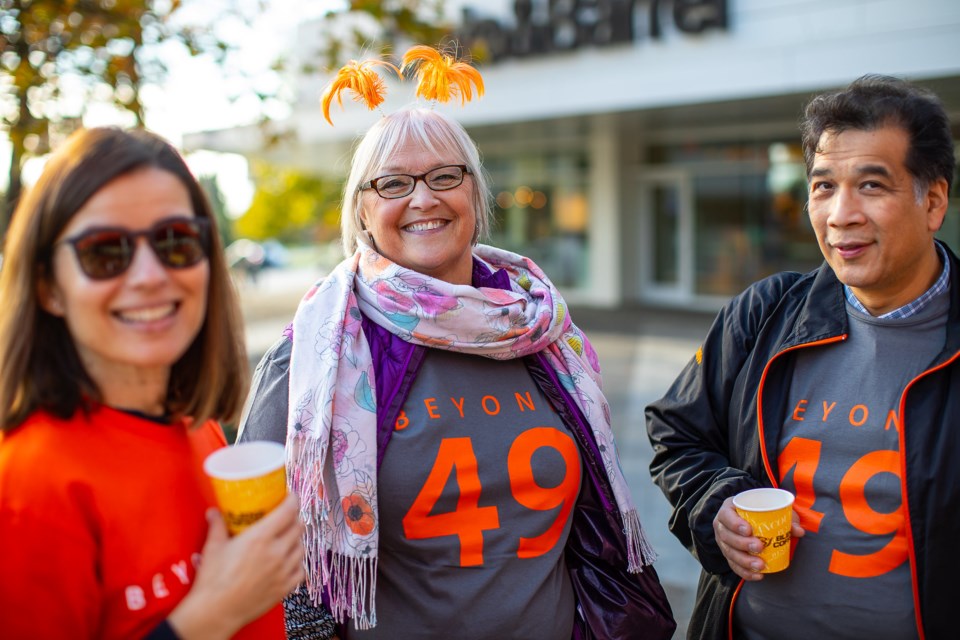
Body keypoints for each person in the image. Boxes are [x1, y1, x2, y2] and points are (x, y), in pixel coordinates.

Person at [238, 103, 675, 639]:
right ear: (361, 212)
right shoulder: (313, 357)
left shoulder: (542, 332)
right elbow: (262, 559)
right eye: (393, 183)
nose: (423, 198)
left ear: (474, 193)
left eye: (445, 176)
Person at [645, 74, 957, 639]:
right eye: (822, 187)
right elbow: (677, 435)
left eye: (871, 186)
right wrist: (717, 505)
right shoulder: (764, 313)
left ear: (932, 200)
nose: (840, 215)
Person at [0, 127, 305, 639]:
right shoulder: (28, 489)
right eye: (105, 251)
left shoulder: (196, 426)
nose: (149, 275)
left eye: (176, 242)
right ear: (50, 287)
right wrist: (209, 617)